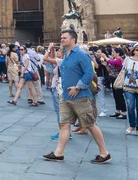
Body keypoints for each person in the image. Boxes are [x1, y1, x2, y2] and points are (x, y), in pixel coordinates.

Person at [44, 29, 111, 164]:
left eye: (64, 38)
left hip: (80, 96)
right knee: (64, 124)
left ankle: (104, 152)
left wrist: (78, 87)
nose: (61, 40)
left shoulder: (81, 55)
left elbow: (89, 73)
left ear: (73, 39)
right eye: (61, 37)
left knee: (90, 124)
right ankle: (58, 153)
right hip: (66, 96)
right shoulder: (67, 54)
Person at [108, 48, 127, 119]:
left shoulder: (119, 59)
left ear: (118, 53)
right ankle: (118, 110)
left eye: (113, 52)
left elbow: (114, 63)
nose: (112, 53)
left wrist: (105, 58)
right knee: (116, 96)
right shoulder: (115, 59)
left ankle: (124, 112)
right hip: (114, 79)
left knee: (119, 96)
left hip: (118, 80)